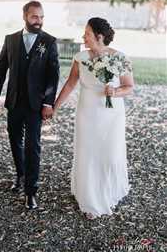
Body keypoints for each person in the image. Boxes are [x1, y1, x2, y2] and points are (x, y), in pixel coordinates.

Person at [54, 17, 134, 219]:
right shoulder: (80, 58)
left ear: (99, 37)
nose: (83, 37)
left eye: (87, 34)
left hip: (112, 115)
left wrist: (115, 92)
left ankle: (109, 190)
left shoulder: (121, 58)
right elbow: (71, 85)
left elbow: (129, 87)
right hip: (87, 112)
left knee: (110, 152)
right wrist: (55, 107)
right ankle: (89, 197)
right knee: (87, 151)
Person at [0, 0, 60, 210]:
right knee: (15, 141)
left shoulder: (49, 41)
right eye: (34, 17)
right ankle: (20, 175)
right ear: (25, 17)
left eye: (41, 17)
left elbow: (53, 75)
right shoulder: (10, 40)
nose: (39, 21)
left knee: (33, 147)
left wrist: (49, 103)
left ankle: (31, 191)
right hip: (14, 102)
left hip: (35, 105)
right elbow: (0, 68)